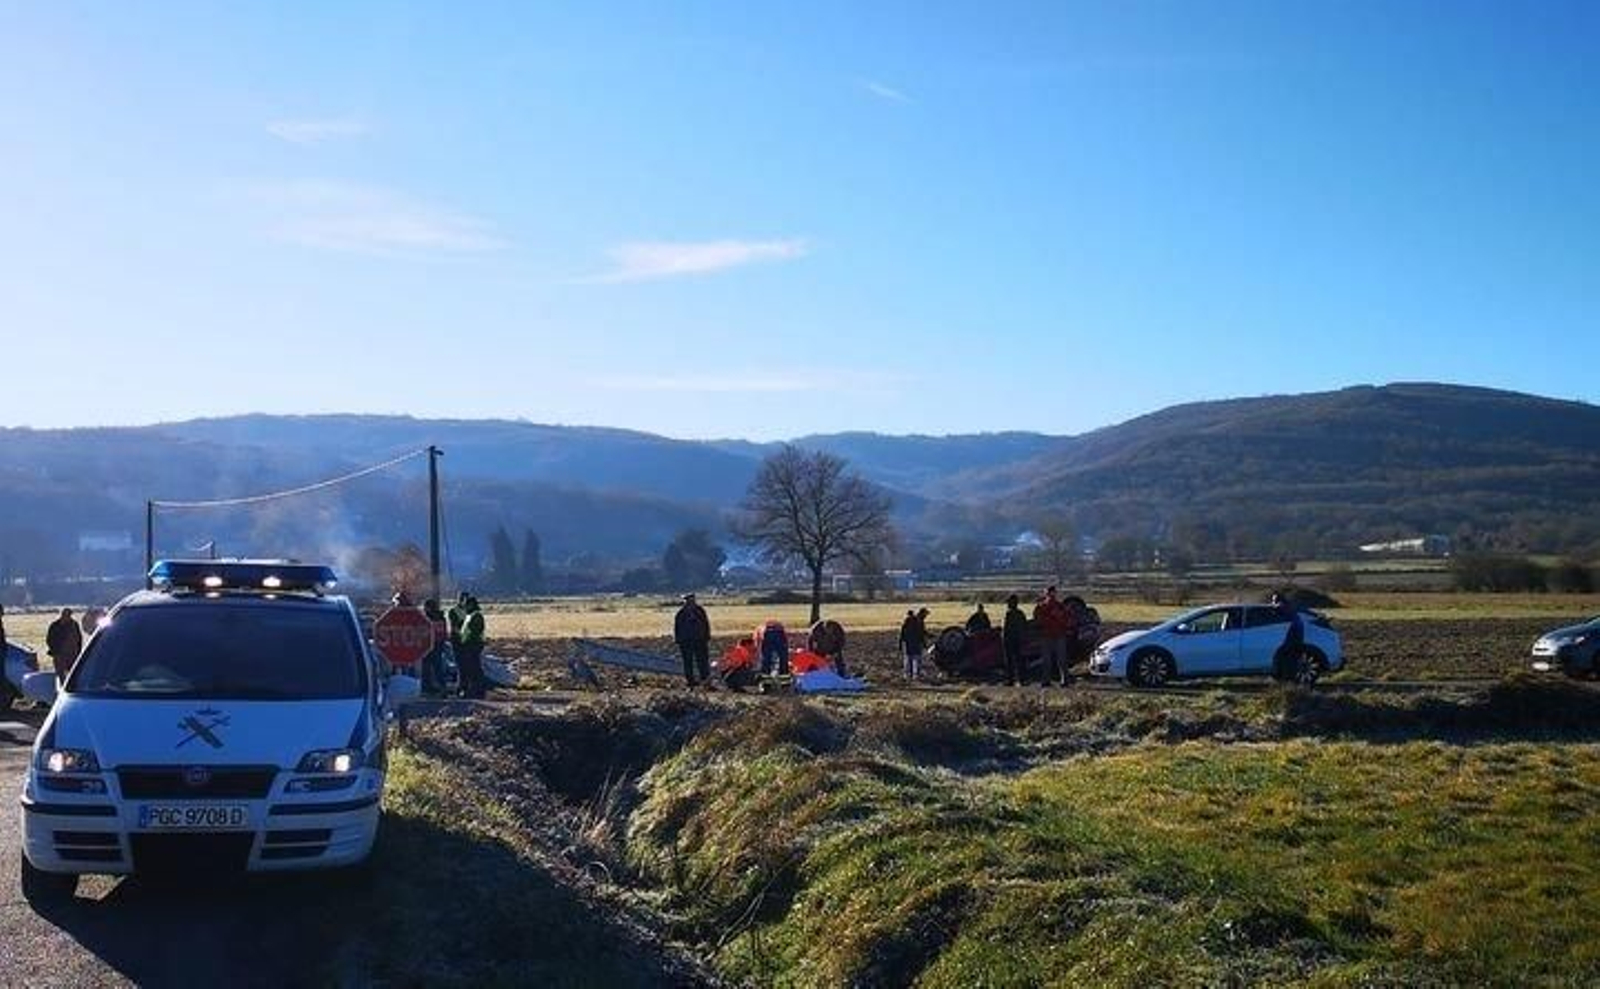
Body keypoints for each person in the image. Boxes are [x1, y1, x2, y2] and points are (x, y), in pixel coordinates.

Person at [1033, 587, 1073, 686]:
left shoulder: (1057, 606)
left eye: (1052, 593)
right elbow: (1038, 620)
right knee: (1052, 660)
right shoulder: (1044, 607)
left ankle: (1059, 680)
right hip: (1050, 635)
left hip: (1054, 635)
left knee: (1058, 660)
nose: (1051, 595)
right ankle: (1052, 680)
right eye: (1050, 593)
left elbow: (1067, 619)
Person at [674, 593, 712, 688]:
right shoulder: (681, 613)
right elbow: (677, 627)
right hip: (686, 641)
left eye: (691, 600)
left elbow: (706, 624)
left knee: (702, 661)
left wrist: (707, 636)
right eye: (687, 600)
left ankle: (705, 680)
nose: (689, 602)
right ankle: (691, 681)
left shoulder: (699, 611)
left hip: (700, 640)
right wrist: (678, 640)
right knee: (688, 662)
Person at [1270, 592, 1306, 680]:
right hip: (1295, 634)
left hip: (1293, 634)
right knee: (1291, 657)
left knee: (1289, 657)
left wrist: (1271, 606)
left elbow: (1277, 607)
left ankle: (1289, 679)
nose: (1273, 602)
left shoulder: (1283, 606)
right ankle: (1289, 679)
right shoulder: (1290, 607)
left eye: (1274, 600)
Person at [457, 596, 488, 699]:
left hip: (474, 645)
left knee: (475, 670)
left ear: (471, 605)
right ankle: (473, 690)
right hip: (469, 645)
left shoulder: (476, 616)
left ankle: (478, 691)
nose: (465, 606)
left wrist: (468, 643)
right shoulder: (469, 615)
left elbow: (475, 631)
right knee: (471, 669)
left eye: (467, 604)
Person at [46, 608, 84, 684]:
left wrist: (78, 652)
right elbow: (49, 639)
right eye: (64, 614)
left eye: (68, 615)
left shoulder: (74, 625)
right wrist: (55, 652)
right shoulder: (55, 625)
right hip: (59, 655)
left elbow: (79, 639)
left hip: (73, 655)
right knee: (61, 677)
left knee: (73, 675)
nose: (66, 616)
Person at [421, 598, 450, 694]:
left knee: (427, 668)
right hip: (438, 645)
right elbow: (443, 632)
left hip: (429, 646)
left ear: (429, 608)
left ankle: (428, 687)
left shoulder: (427, 618)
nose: (424, 609)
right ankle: (442, 687)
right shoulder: (441, 617)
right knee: (437, 667)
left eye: (426, 607)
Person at [1002, 594, 1028, 686]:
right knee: (1019, 660)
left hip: (1009, 640)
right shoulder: (1021, 613)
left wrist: (1004, 639)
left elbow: (1006, 629)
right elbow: (1025, 626)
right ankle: (1022, 680)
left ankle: (1010, 680)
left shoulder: (1009, 614)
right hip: (1019, 640)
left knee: (1009, 661)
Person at [899, 607, 929, 680]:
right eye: (925, 614)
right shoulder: (919, 622)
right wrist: (925, 644)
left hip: (907, 642)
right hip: (915, 643)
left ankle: (907, 675)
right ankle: (915, 675)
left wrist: (901, 643)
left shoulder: (909, 620)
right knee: (916, 659)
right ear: (922, 613)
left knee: (908, 659)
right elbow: (921, 634)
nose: (926, 616)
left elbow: (902, 632)